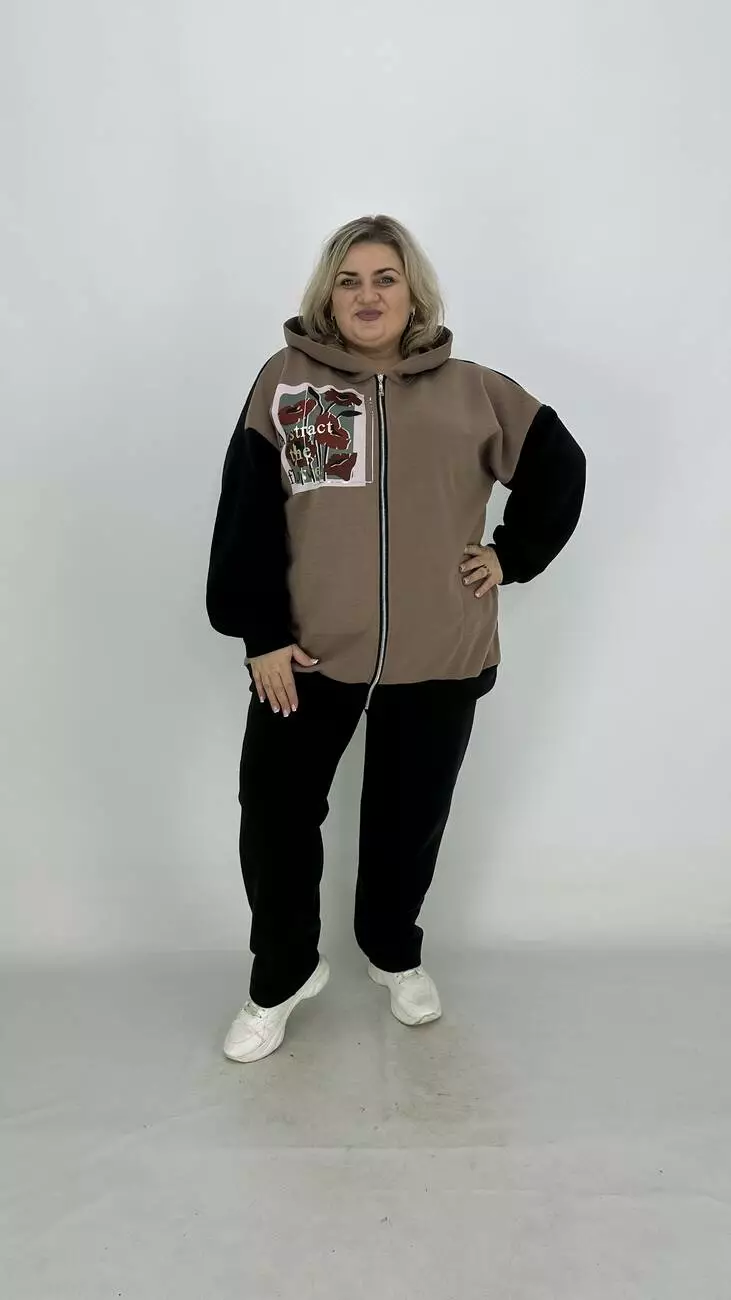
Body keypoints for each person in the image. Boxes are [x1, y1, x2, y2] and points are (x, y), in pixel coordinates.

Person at [206, 214, 586, 1063]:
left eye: (385, 278)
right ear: (328, 295)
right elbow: (247, 511)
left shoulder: (473, 390)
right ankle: (282, 973)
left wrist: (509, 555)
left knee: (407, 819)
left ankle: (391, 951)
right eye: (349, 281)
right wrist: (260, 633)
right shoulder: (286, 381)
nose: (367, 295)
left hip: (440, 649)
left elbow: (559, 464)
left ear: (412, 292)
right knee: (274, 813)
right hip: (307, 653)